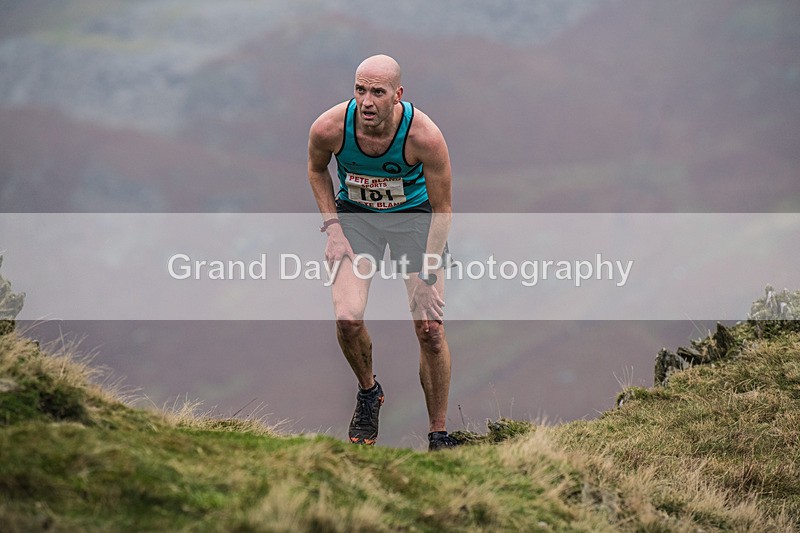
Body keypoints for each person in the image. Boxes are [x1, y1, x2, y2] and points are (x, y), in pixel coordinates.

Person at [307, 54, 459, 451]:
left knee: (430, 330)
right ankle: (368, 392)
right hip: (357, 219)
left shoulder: (423, 136)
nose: (367, 101)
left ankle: (438, 435)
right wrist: (334, 229)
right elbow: (316, 168)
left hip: (414, 221)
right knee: (347, 319)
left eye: (378, 91)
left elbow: (443, 210)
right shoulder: (330, 127)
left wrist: (427, 275)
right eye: (360, 90)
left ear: (398, 95)